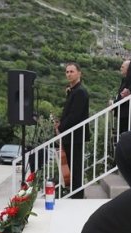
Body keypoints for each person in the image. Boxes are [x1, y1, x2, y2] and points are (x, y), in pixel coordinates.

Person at [55, 62, 90, 198]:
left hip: (76, 136)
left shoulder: (80, 91)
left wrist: (60, 127)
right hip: (71, 136)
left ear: (79, 73)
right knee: (72, 167)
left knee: (75, 169)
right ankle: (75, 195)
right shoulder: (73, 91)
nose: (69, 74)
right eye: (67, 72)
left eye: (72, 71)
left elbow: (74, 116)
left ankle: (77, 197)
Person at [114, 60, 131, 135]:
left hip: (125, 114)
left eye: (122, 67)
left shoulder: (129, 81)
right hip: (121, 113)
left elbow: (123, 96)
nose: (120, 68)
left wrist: (114, 103)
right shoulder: (124, 79)